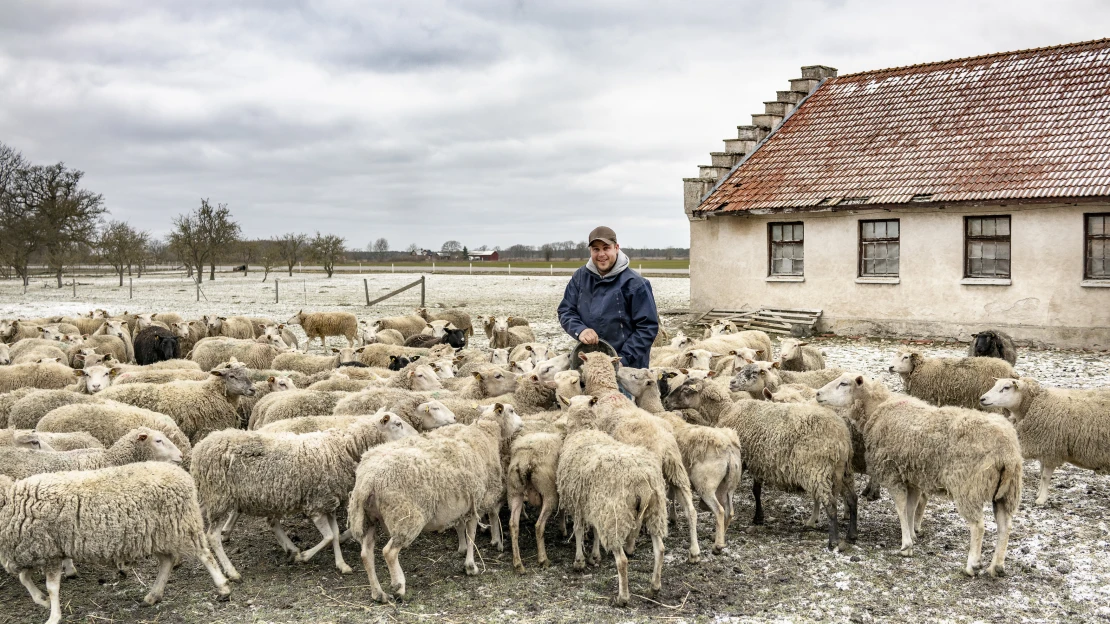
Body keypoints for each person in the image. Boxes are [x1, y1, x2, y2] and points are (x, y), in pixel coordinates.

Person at [557, 226, 659, 369]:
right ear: (590, 251)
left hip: (628, 368)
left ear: (616, 248)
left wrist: (622, 360)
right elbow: (566, 310)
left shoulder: (635, 284)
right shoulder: (580, 277)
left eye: (606, 248)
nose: (601, 254)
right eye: (596, 249)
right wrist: (580, 330)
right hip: (589, 362)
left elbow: (647, 327)